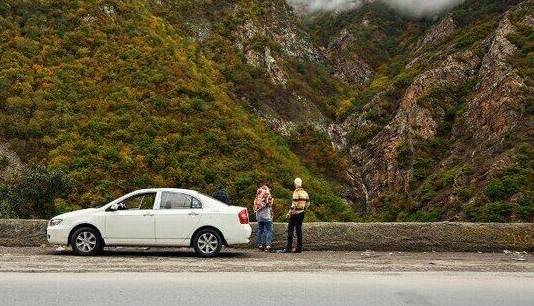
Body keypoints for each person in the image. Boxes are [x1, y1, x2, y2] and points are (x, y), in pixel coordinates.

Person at [282, 177, 309, 253]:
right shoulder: (305, 192)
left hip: (295, 213)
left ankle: (288, 247)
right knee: (299, 230)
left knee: (290, 230)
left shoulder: (296, 192)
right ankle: (299, 248)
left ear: (295, 184)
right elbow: (308, 203)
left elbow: (294, 204)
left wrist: (289, 213)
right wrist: (303, 208)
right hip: (302, 213)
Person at [254, 183, 274, 252]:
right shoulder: (267, 193)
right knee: (269, 230)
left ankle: (260, 245)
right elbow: (269, 203)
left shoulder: (258, 194)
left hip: (259, 215)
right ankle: (268, 246)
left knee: (260, 230)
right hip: (266, 215)